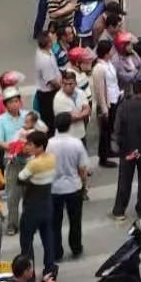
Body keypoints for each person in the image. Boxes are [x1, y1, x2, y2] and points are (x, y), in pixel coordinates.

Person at [111, 79, 141, 220]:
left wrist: (119, 147)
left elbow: (117, 129)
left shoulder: (123, 107)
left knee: (124, 180)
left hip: (127, 150)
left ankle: (119, 210)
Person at [49, 111, 89, 260]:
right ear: (70, 125)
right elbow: (83, 168)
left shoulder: (49, 144)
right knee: (75, 221)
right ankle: (76, 247)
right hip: (73, 187)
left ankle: (56, 251)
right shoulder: (76, 143)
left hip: (55, 188)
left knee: (55, 223)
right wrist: (83, 184)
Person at [18, 129, 57, 272]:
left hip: (32, 206)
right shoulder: (52, 158)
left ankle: (29, 271)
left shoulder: (33, 164)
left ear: (40, 146)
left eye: (30, 145)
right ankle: (50, 269)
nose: (27, 147)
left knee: (26, 241)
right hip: (47, 203)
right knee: (48, 239)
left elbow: (20, 178)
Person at [0, 88, 28, 234]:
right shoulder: (1, 120)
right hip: (12, 160)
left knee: (29, 194)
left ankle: (28, 222)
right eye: (11, 102)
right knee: (13, 195)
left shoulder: (28, 116)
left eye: (16, 101)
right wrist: (11, 146)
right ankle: (12, 224)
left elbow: (40, 130)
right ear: (5, 105)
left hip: (28, 159)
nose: (15, 104)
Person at [91, 37, 121, 168]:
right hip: (107, 104)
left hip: (114, 99)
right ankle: (103, 157)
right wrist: (104, 108)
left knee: (109, 129)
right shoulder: (99, 68)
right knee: (105, 131)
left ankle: (109, 150)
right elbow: (99, 90)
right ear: (106, 52)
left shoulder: (108, 64)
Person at [54, 66, 91, 141]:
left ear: (75, 83)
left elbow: (87, 109)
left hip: (81, 134)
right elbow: (69, 118)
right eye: (65, 84)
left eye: (70, 84)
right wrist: (82, 114)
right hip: (66, 137)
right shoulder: (58, 98)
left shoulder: (80, 93)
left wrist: (79, 115)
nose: (67, 87)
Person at [34, 29, 61, 131]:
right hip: (48, 95)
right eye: (52, 36)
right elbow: (52, 82)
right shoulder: (44, 60)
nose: (55, 36)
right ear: (49, 43)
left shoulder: (47, 51)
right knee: (51, 122)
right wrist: (63, 89)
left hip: (51, 91)